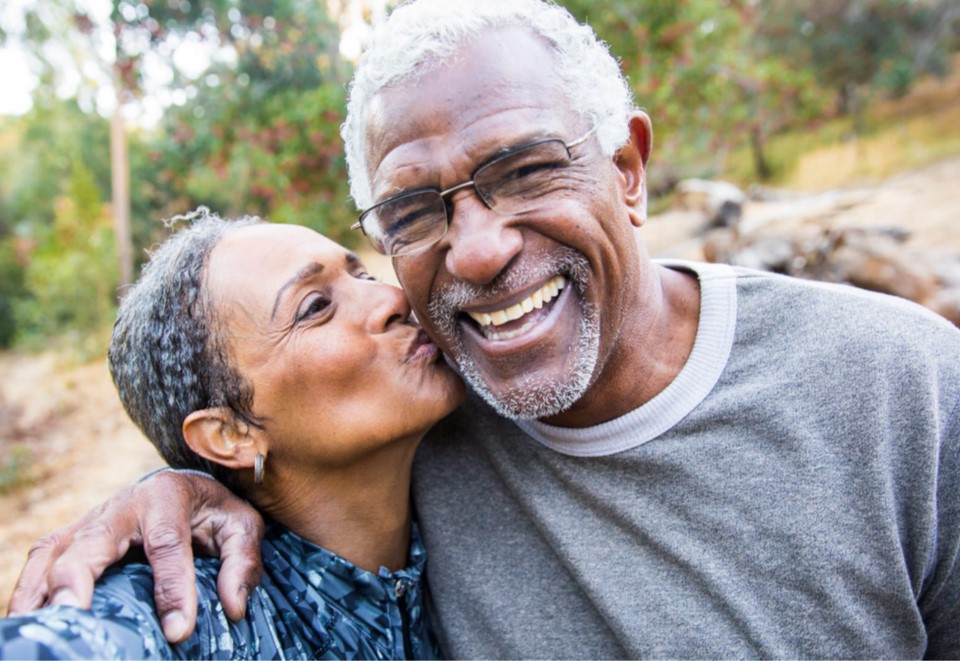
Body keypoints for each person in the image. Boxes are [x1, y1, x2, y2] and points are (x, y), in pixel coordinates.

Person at [10, 0, 960, 657]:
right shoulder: (428, 406)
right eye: (413, 213)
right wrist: (165, 493)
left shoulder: (902, 389)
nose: (475, 251)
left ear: (628, 169)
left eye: (526, 170)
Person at [0, 210, 463, 658]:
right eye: (316, 306)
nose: (392, 299)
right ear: (230, 433)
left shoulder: (484, 422)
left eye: (362, 276)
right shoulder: (196, 610)